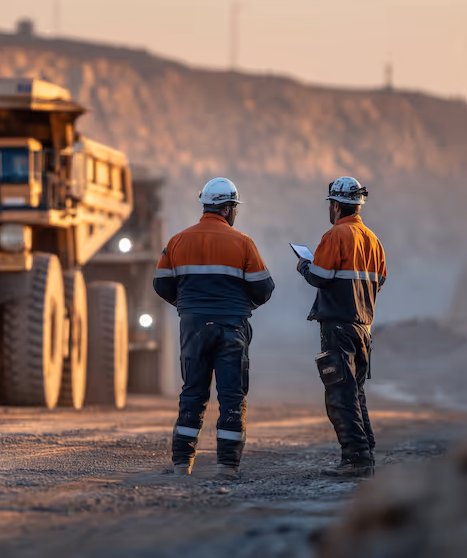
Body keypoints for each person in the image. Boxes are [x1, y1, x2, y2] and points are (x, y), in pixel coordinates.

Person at [153, 178, 274, 479]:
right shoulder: (243, 243)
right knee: (232, 397)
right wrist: (241, 305)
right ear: (230, 208)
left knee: (193, 392)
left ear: (206, 205)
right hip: (232, 327)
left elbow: (160, 284)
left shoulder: (178, 241)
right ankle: (227, 467)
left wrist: (188, 307)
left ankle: (182, 464)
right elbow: (264, 288)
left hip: (193, 328)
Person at [296, 176, 387, 478]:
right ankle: (365, 452)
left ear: (335, 206)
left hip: (338, 326)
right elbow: (380, 280)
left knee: (339, 393)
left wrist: (304, 266)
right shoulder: (373, 240)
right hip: (364, 327)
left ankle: (357, 459)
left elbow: (319, 276)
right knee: (355, 391)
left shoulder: (335, 235)